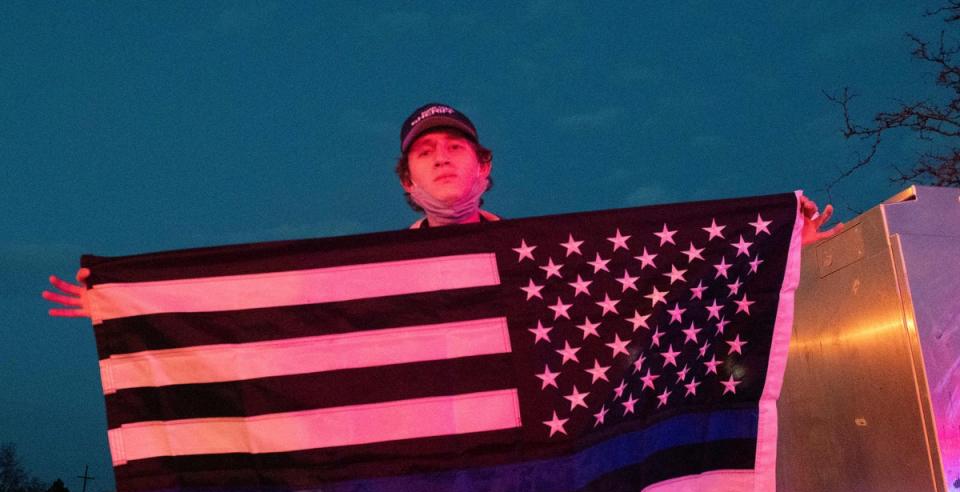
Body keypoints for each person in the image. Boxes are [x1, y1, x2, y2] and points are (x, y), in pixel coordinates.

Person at [42, 101, 841, 314]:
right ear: (406, 184)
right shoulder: (372, 271)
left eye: (456, 146)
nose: (442, 156)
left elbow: (660, 281)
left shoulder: (551, 254)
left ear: (486, 170)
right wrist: (133, 304)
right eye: (425, 152)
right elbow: (271, 305)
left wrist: (777, 244)